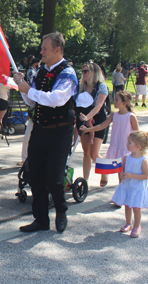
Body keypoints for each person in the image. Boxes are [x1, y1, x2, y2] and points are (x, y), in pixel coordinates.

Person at [13, 32, 78, 233]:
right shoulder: (41, 71)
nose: (41, 52)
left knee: (54, 178)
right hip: (40, 129)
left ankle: (61, 210)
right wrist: (23, 88)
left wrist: (28, 90)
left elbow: (56, 99)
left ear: (57, 50)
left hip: (60, 132)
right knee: (36, 175)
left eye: (44, 49)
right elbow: (32, 102)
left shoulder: (68, 73)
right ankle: (41, 219)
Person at [80, 91, 139, 183]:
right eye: (114, 99)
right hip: (115, 146)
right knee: (118, 171)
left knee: (123, 172)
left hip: (126, 148)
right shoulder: (114, 115)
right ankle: (108, 178)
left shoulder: (131, 116)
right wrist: (87, 130)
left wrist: (138, 147)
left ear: (124, 103)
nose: (114, 101)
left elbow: (137, 133)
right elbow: (101, 126)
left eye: (116, 100)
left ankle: (123, 190)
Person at [111, 130, 148, 238]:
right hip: (127, 186)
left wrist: (131, 175)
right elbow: (123, 169)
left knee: (136, 208)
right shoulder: (126, 157)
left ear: (138, 146)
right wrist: (121, 174)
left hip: (137, 188)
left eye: (129, 143)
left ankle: (137, 226)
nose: (127, 144)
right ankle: (129, 223)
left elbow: (145, 176)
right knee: (127, 206)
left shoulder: (143, 161)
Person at [76, 62, 109, 186]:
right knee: (86, 153)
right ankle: (85, 180)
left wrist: (88, 117)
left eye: (86, 71)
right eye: (82, 71)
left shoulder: (101, 86)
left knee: (94, 153)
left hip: (98, 121)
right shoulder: (81, 86)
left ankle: (105, 172)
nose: (83, 74)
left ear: (94, 73)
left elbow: (99, 106)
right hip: (83, 121)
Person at [20, 58, 40, 164]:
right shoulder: (33, 73)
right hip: (34, 112)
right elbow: (31, 99)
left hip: (42, 114)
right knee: (27, 137)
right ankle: (24, 160)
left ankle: (27, 159)